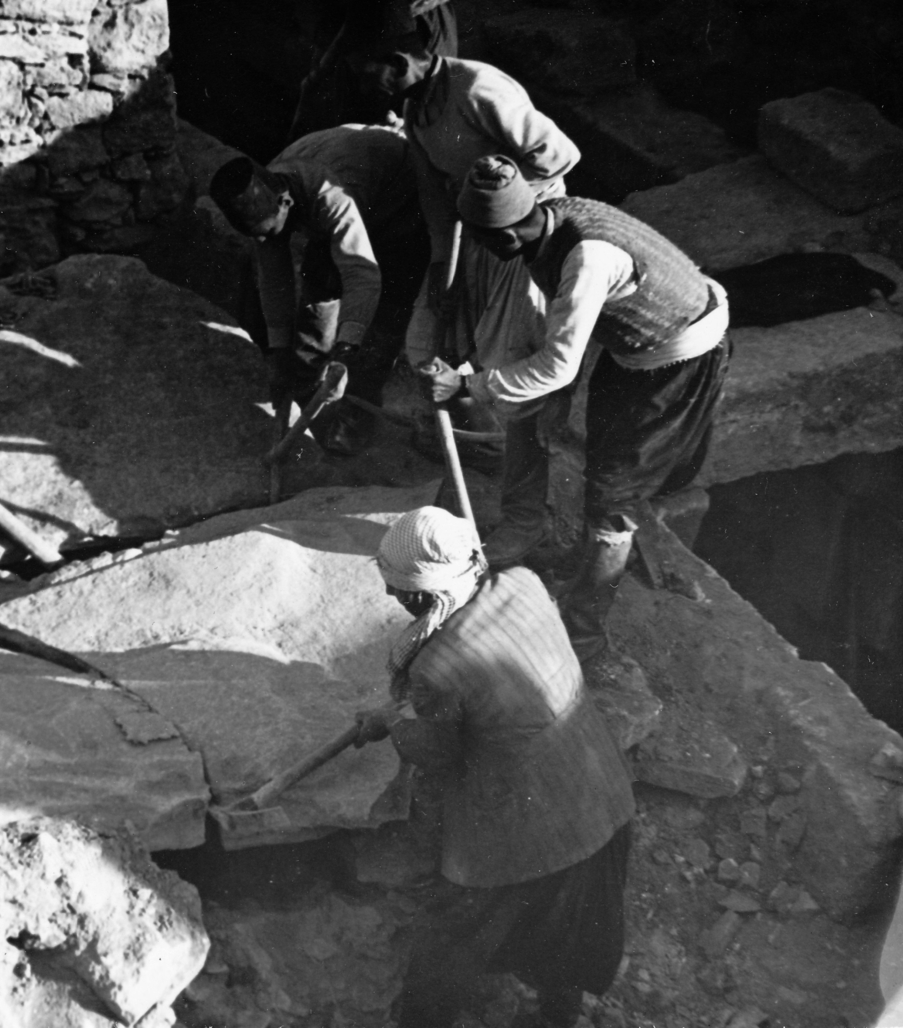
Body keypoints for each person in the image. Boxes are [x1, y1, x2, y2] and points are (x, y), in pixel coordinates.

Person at [420, 156, 731, 662]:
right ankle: (585, 558)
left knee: (613, 493)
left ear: (504, 237)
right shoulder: (550, 217)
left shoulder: (585, 258)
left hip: (679, 354)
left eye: (480, 241)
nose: (479, 250)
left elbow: (559, 367)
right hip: (635, 345)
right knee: (601, 461)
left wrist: (469, 386)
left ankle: (583, 633)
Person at [355, 506, 634, 1027]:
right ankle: (557, 1016)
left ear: (422, 594)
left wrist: (393, 727)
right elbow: (486, 699)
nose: (392, 599)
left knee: (449, 939)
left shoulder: (436, 668)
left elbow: (438, 753)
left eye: (397, 589)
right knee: (571, 925)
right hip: (598, 790)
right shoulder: (522, 583)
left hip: (524, 831)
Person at [362, 45, 581, 564]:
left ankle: (525, 518)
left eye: (367, 67)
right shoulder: (416, 110)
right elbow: (434, 197)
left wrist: (499, 196)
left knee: (514, 373)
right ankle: (474, 440)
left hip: (521, 237)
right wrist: (442, 263)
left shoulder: (478, 89)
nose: (365, 81)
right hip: (468, 239)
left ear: (398, 59)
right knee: (427, 342)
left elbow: (559, 156)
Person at [209, 124, 426, 447]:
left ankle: (356, 415)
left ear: (286, 203)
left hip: (400, 200)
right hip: (353, 182)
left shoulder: (331, 195)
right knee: (320, 287)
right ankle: (312, 397)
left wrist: (346, 350)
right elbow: (274, 279)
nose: (263, 241)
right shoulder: (270, 190)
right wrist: (278, 351)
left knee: (385, 313)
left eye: (267, 232)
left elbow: (361, 275)